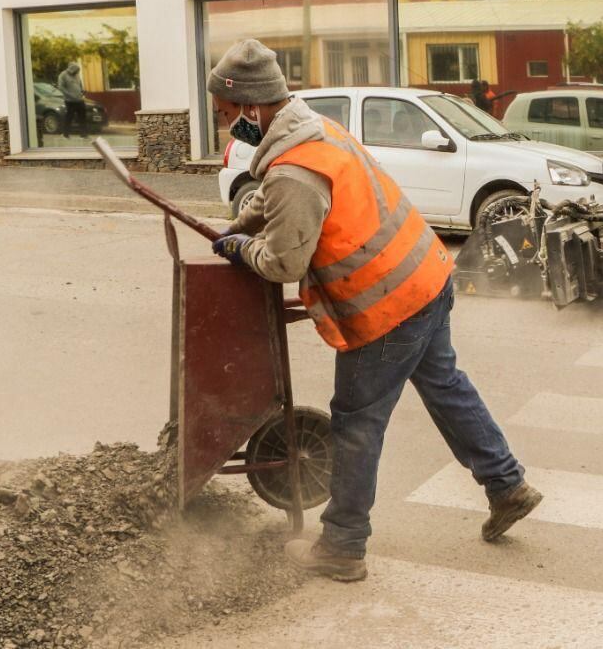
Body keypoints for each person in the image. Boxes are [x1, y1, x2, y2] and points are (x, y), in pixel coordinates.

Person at [207, 39, 542, 582]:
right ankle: (507, 485)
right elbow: (282, 201)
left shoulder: (293, 169)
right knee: (445, 385)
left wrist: (244, 249)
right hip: (427, 276)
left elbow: (283, 262)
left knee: (357, 422)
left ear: (249, 106)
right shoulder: (316, 130)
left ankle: (342, 544)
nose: (227, 127)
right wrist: (245, 221)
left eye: (226, 115)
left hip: (388, 306)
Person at [57, 61, 88, 138]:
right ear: (71, 69)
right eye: (76, 70)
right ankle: (65, 134)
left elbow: (79, 85)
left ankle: (83, 134)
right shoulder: (63, 75)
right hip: (70, 101)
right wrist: (70, 95)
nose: (77, 72)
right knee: (69, 117)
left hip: (79, 100)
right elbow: (61, 87)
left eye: (78, 70)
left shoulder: (77, 75)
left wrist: (82, 91)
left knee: (82, 117)